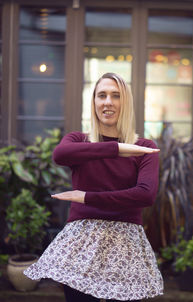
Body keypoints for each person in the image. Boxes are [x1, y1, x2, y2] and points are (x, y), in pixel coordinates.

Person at [24, 72, 163, 301]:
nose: (108, 102)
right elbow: (60, 154)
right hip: (82, 243)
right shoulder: (78, 140)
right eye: (102, 95)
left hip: (125, 243)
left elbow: (145, 195)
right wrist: (117, 148)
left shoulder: (145, 147)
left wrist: (87, 198)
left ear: (125, 103)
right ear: (94, 102)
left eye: (116, 96)